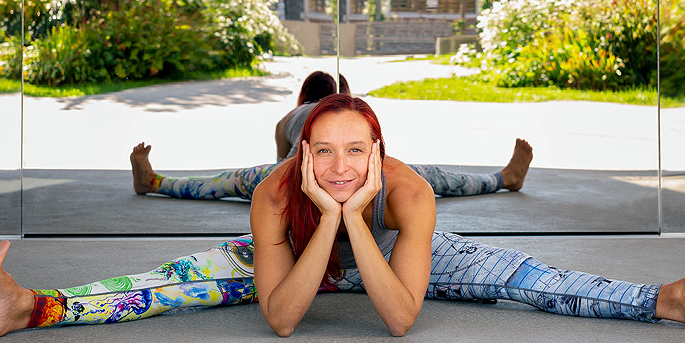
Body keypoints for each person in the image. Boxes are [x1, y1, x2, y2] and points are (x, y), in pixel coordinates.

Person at [0, 94, 685, 338]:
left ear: (376, 148)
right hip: (301, 246)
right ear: (298, 148)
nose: (338, 167)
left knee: (534, 278)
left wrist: (359, 219)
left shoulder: (409, 187)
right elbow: (282, 319)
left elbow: (399, 318)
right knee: (167, 280)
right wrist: (327, 218)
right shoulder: (270, 189)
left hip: (400, 247)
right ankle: (27, 305)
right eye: (319, 151)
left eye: (354, 151)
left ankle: (673, 298)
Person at [130, 71, 533, 201]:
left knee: (222, 182)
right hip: (318, 173)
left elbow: (279, 164)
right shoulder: (340, 112)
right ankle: (502, 178)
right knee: (435, 178)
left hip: (292, 172)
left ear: (305, 97)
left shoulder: (289, 116)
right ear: (344, 96)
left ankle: (155, 181)